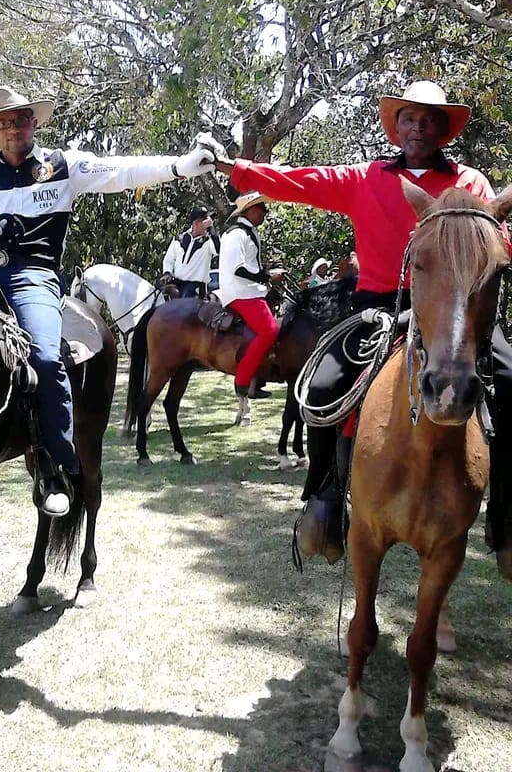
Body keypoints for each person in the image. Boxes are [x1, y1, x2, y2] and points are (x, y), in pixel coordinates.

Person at [0, 84, 219, 515]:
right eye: (2, 122)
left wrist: (181, 166)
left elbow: (122, 172)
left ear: (34, 122)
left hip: (33, 277)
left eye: (20, 119)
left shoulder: (62, 166)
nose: (12, 127)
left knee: (47, 359)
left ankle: (54, 465)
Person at [214, 80, 512, 563]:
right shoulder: (366, 177)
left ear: (444, 128)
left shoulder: (472, 184)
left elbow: (496, 243)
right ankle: (325, 498)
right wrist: (239, 169)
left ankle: (506, 518)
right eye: (409, 117)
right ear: (396, 127)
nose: (418, 126)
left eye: (429, 118)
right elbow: (299, 181)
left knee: (511, 378)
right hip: (378, 305)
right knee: (324, 386)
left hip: (455, 308)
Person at [218, 191, 287, 399]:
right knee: (270, 331)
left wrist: (267, 269)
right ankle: (243, 380)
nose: (264, 216)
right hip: (241, 292)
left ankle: (261, 376)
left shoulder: (249, 233)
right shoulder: (236, 234)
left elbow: (249, 265)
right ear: (251, 211)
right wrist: (267, 275)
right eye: (262, 211)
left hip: (250, 290)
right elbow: (238, 269)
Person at [160, 207, 220, 298]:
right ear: (195, 223)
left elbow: (218, 250)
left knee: (185, 304)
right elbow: (168, 260)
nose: (207, 224)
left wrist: (212, 230)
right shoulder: (179, 239)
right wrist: (167, 273)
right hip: (178, 284)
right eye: (205, 222)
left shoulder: (208, 242)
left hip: (196, 287)